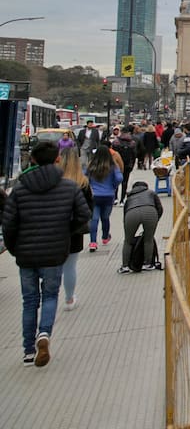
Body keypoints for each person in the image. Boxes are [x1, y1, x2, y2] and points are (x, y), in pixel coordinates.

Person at [2, 141, 91, 366]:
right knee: (50, 296)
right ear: (57, 160)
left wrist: (14, 248)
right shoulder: (68, 187)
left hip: (26, 254)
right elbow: (83, 215)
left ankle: (28, 350)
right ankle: (44, 334)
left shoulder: (20, 189)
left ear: (32, 160)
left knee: (29, 300)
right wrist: (64, 233)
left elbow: (9, 224)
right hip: (54, 252)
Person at [57, 147, 93, 309]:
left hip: (55, 229)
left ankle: (49, 296)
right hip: (75, 230)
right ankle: (69, 298)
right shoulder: (83, 182)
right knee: (70, 266)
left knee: (54, 266)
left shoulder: (54, 182)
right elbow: (88, 208)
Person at [118, 180, 163, 274]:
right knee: (148, 239)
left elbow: (125, 212)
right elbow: (160, 208)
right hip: (150, 211)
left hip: (131, 213)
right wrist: (155, 220)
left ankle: (125, 266)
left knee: (128, 241)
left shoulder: (129, 197)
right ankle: (147, 264)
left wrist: (126, 227)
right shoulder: (151, 193)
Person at [86, 143, 124, 251]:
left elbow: (85, 177)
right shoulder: (112, 166)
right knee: (105, 217)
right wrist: (114, 186)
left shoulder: (91, 166)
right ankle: (105, 237)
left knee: (94, 219)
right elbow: (119, 178)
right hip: (108, 195)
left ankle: (93, 242)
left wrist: (90, 187)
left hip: (95, 196)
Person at [113, 127, 138, 206]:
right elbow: (134, 155)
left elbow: (113, 154)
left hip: (117, 165)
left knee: (116, 181)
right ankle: (122, 200)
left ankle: (115, 198)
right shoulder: (132, 143)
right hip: (128, 165)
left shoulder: (116, 142)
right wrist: (132, 165)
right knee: (125, 182)